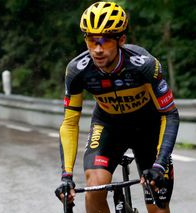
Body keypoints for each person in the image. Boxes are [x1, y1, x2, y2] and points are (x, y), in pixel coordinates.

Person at [55, 1, 179, 213]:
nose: (97, 49)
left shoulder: (145, 66)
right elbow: (69, 123)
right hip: (109, 126)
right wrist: (66, 176)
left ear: (121, 40)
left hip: (148, 128)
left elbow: (170, 114)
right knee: (94, 187)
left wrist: (159, 165)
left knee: (157, 206)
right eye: (91, 41)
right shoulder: (77, 71)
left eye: (104, 42)